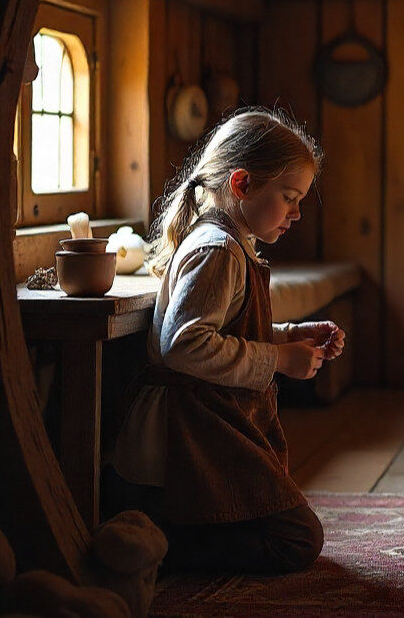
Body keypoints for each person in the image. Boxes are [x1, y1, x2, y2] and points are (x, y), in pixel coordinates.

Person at [107, 108, 344, 574]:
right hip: (189, 428)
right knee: (297, 539)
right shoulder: (215, 249)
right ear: (242, 185)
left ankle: (166, 528)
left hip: (212, 415)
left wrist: (291, 337)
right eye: (289, 197)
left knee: (286, 530)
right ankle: (161, 548)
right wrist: (277, 359)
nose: (296, 213)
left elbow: (227, 332)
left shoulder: (232, 243)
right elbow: (185, 344)